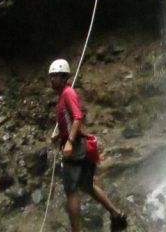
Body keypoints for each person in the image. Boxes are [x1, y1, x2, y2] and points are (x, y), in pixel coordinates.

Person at [48, 59, 128, 232]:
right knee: (88, 186)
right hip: (79, 147)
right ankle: (115, 214)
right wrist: (59, 136)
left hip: (75, 149)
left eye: (56, 76)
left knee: (71, 192)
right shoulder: (63, 95)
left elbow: (77, 117)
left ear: (64, 77)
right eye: (51, 76)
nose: (52, 79)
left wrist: (68, 142)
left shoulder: (68, 93)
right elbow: (70, 122)